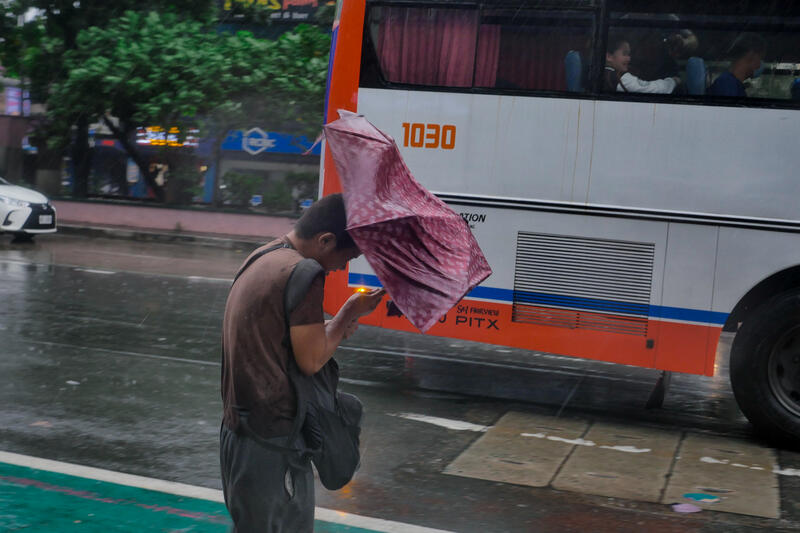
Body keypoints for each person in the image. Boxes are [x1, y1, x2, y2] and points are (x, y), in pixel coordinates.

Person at [220, 193, 385, 532]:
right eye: (346, 256)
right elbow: (310, 360)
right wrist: (348, 314)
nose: (342, 266)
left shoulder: (264, 255)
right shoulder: (305, 272)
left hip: (239, 432)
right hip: (272, 439)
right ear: (325, 240)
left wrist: (332, 325)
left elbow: (277, 337)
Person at [604, 35, 680, 94]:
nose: (629, 58)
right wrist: (673, 81)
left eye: (629, 54)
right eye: (625, 54)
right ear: (609, 56)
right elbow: (651, 89)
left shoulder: (604, 73)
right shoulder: (619, 78)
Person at [708, 33, 767, 97]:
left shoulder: (732, 83)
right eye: (760, 58)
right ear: (751, 55)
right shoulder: (727, 84)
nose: (759, 65)